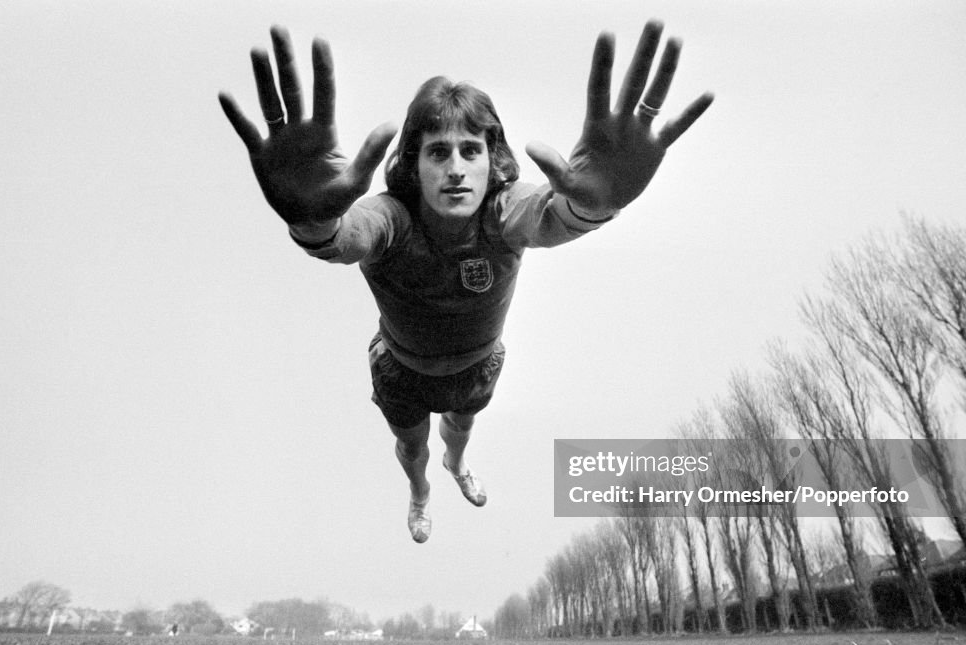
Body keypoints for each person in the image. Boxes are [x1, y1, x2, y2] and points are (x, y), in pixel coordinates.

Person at [219, 20, 713, 543]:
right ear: (415, 162)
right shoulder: (391, 218)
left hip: (478, 363)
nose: (456, 168)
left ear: (491, 157)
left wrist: (594, 204)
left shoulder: (504, 211)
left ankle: (458, 466)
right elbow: (348, 237)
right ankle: (420, 492)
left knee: (459, 432)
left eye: (470, 151)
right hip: (401, 370)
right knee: (414, 449)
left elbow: (545, 217)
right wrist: (312, 220)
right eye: (438, 152)